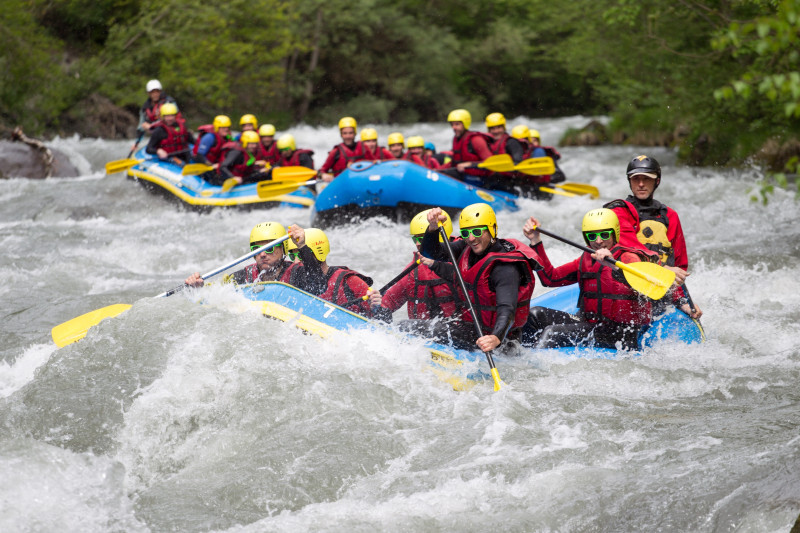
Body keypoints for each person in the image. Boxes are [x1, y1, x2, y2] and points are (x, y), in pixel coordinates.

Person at [522, 209, 656, 351]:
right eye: (592, 236)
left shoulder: (628, 257)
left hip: (621, 332)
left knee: (552, 333)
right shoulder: (586, 258)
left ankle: (534, 365)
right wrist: (535, 240)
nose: (598, 241)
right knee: (534, 314)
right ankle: (517, 358)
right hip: (591, 323)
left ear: (614, 234)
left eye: (604, 235)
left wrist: (614, 266)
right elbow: (550, 278)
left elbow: (646, 286)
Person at [418, 203, 541, 353]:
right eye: (465, 233)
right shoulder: (465, 247)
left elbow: (507, 308)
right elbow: (431, 252)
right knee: (414, 326)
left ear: (492, 229)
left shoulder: (505, 267)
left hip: (501, 342)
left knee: (410, 327)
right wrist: (432, 228)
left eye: (477, 231)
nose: (471, 238)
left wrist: (496, 338)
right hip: (472, 330)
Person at [604, 155, 703, 319]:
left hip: (658, 292)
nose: (641, 184)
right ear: (629, 181)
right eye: (636, 179)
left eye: (647, 179)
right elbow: (628, 248)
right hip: (625, 289)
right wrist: (661, 268)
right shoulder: (618, 212)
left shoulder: (669, 216)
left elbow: (677, 266)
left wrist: (683, 301)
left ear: (657, 181)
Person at [369, 209, 459, 325]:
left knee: (405, 325)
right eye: (415, 239)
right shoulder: (413, 270)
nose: (417, 244)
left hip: (458, 333)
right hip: (422, 340)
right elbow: (388, 303)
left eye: (421, 238)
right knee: (404, 325)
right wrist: (376, 305)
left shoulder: (462, 260)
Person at [284, 225, 376, 317]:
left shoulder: (350, 281)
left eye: (301, 255)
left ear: (318, 252)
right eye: (293, 256)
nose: (296, 261)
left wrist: (376, 306)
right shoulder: (298, 280)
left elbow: (383, 318)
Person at [184, 222, 296, 286]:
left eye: (269, 248)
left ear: (283, 248)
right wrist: (199, 287)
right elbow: (217, 291)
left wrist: (303, 247)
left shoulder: (297, 273)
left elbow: (313, 281)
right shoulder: (245, 276)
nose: (262, 254)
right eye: (256, 249)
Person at [439, 109, 495, 186]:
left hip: (479, 179)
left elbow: (491, 163)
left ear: (465, 124)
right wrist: (437, 170)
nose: (453, 127)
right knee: (441, 173)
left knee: (448, 175)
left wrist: (470, 164)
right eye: (452, 124)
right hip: (465, 176)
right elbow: (454, 162)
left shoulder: (476, 140)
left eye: (457, 124)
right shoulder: (456, 139)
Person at [319, 116, 364, 181]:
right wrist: (323, 175)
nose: (348, 136)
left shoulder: (363, 148)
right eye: (345, 133)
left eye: (350, 133)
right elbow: (321, 171)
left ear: (355, 133)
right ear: (341, 134)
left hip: (361, 182)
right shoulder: (335, 152)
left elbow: (374, 163)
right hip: (343, 185)